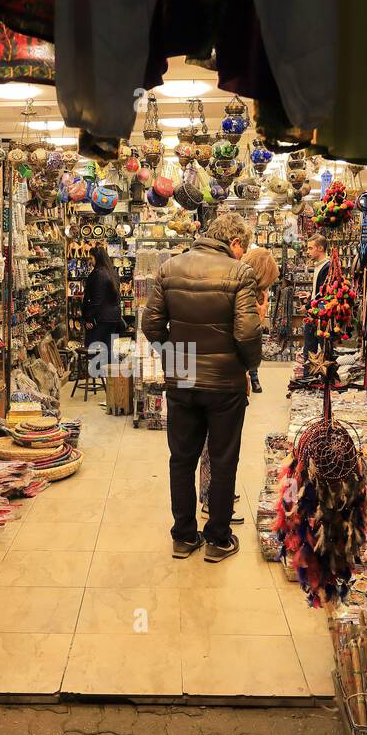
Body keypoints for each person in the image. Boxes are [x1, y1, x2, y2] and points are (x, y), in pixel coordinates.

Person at [143, 213, 261, 562]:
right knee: (224, 461)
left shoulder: (169, 268)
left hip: (181, 379)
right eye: (245, 246)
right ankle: (218, 540)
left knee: (181, 459)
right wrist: (248, 366)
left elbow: (151, 324)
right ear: (235, 242)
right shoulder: (240, 273)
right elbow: (247, 333)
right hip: (225, 383)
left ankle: (183, 536)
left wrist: (173, 355)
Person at [82, 241, 126, 375]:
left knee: (93, 345)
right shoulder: (112, 273)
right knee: (107, 347)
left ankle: (97, 374)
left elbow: (97, 300)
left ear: (97, 258)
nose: (90, 261)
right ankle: (107, 377)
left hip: (101, 318)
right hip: (113, 318)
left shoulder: (99, 274)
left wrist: (89, 317)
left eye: (91, 258)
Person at [241, 246, 280, 393]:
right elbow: (246, 335)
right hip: (229, 372)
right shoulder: (246, 291)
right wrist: (260, 317)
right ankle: (254, 376)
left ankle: (254, 376)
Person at [301, 234, 330, 360]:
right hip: (314, 314)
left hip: (319, 317)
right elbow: (319, 291)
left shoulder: (327, 267)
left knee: (317, 351)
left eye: (310, 248)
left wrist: (307, 306)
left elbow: (323, 295)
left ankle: (312, 377)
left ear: (320, 248)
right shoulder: (319, 265)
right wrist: (310, 295)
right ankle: (309, 377)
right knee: (309, 350)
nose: (308, 251)